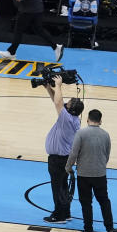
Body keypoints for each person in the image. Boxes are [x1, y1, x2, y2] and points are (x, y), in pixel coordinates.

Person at [66, 109, 114, 232]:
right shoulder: (106, 134)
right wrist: (100, 166)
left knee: (86, 203)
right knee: (104, 201)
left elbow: (74, 153)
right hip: (100, 174)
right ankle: (110, 230)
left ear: (87, 119)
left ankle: (88, 231)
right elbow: (107, 154)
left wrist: (68, 167)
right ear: (100, 121)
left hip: (84, 175)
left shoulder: (81, 133)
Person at [42, 75, 83, 223]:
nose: (66, 103)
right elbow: (57, 102)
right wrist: (48, 89)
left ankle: (59, 215)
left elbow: (58, 102)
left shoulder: (67, 118)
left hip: (58, 159)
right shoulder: (73, 118)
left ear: (70, 109)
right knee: (63, 186)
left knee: (57, 187)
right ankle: (65, 213)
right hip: (64, 158)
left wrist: (58, 86)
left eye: (69, 103)